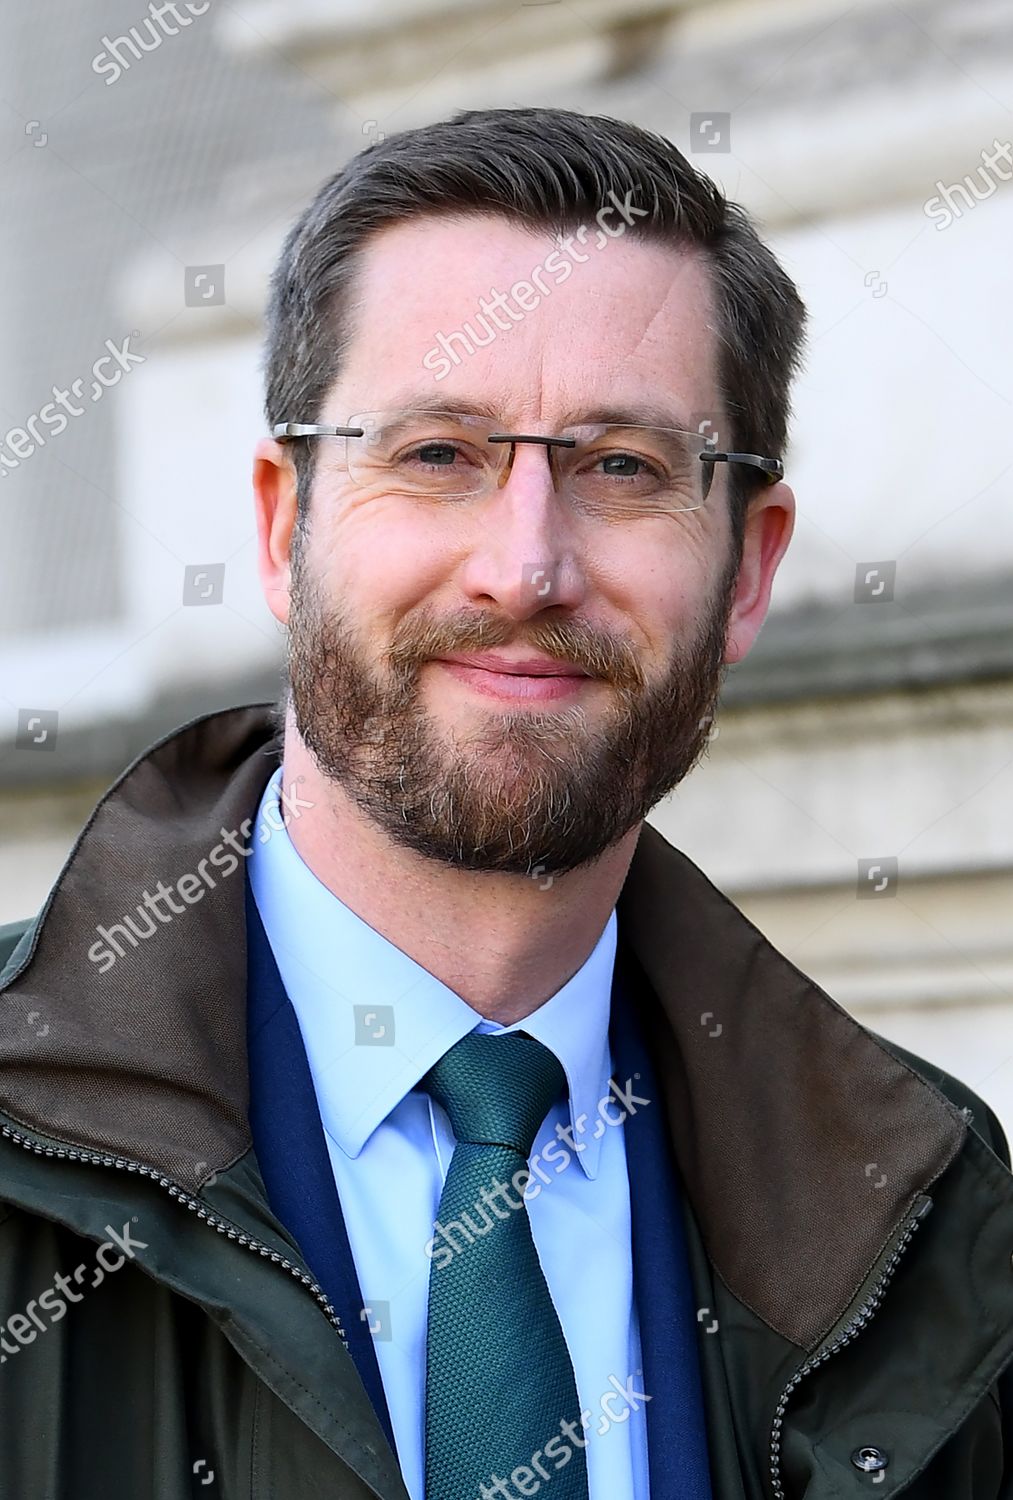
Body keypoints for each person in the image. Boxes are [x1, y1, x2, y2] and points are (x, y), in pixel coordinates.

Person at [0, 107, 1010, 1500]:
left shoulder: (924, 1210)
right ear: (284, 530)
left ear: (749, 570)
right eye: (436, 454)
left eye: (621, 468)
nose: (524, 568)